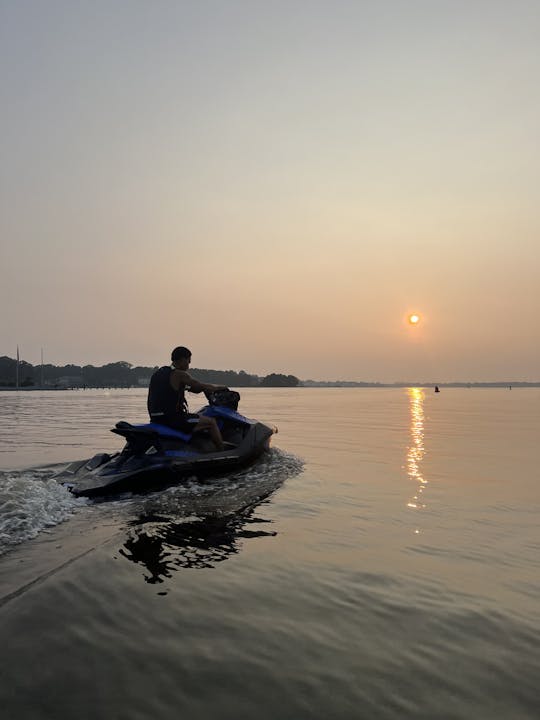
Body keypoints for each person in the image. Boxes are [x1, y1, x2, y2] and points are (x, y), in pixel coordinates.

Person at [147, 346, 227, 450]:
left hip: (156, 418)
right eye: (188, 362)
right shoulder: (179, 374)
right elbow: (200, 386)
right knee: (211, 422)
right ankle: (222, 450)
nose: (188, 365)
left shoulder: (159, 373)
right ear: (182, 359)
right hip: (174, 419)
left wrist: (197, 388)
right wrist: (221, 387)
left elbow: (193, 389)